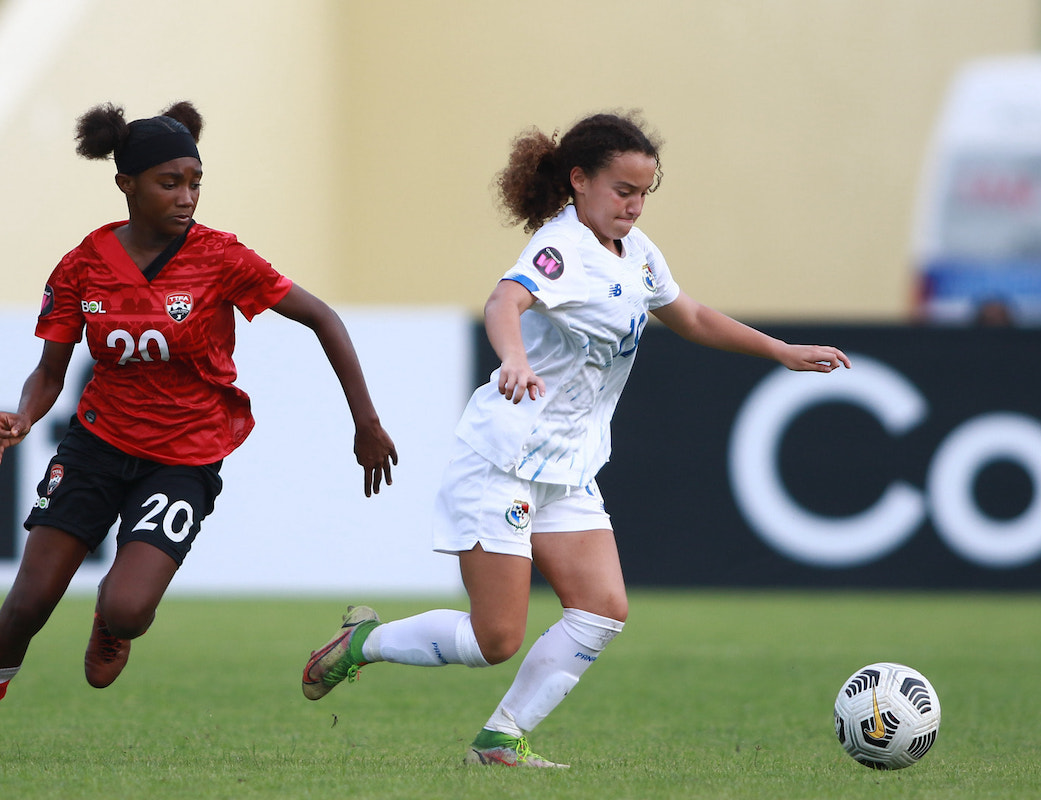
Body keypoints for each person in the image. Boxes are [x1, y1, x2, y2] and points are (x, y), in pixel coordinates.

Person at [300, 111, 849, 768]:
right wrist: (513, 358)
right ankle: (364, 643)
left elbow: (692, 315)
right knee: (493, 639)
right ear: (579, 180)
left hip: (567, 466)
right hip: (502, 460)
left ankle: (500, 740)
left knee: (601, 609)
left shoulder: (639, 253)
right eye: (623, 190)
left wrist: (780, 350)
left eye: (644, 192)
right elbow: (505, 301)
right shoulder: (560, 249)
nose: (635, 205)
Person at [0, 101, 398, 760]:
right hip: (95, 447)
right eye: (171, 182)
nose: (187, 197)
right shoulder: (83, 265)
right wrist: (26, 415)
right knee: (25, 606)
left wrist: (365, 422)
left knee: (130, 608)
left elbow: (323, 318)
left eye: (195, 181)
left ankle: (112, 621)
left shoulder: (221, 257)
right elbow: (50, 370)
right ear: (127, 185)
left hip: (185, 458)